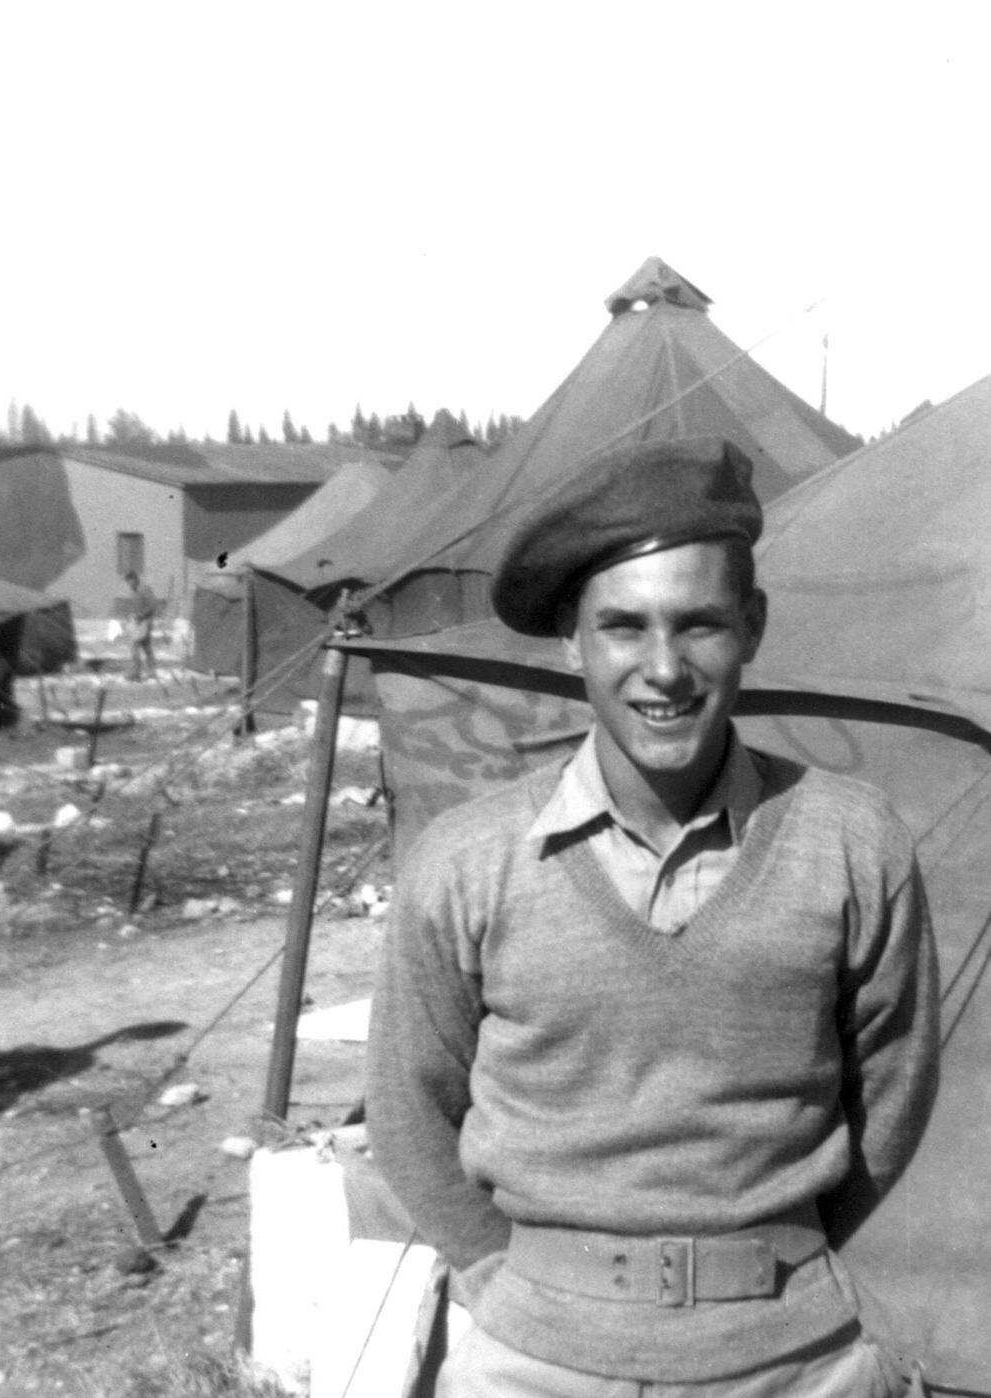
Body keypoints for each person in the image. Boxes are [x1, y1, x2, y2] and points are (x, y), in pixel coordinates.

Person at [366, 437, 939, 1397]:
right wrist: (512, 1289)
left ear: (751, 627)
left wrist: (779, 1276)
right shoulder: (469, 861)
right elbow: (409, 1110)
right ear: (571, 639)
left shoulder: (851, 841)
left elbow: (892, 1093)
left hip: (796, 1364)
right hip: (535, 1364)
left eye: (699, 624)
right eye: (624, 627)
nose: (663, 669)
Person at [124, 570, 158, 681]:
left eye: (130, 581)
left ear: (135, 579)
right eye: (128, 582)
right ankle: (137, 672)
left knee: (145, 648)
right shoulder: (133, 592)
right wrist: (130, 617)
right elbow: (133, 607)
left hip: (145, 623)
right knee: (136, 648)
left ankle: (150, 672)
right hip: (136, 624)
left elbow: (152, 605)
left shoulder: (145, 589)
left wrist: (142, 616)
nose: (129, 584)